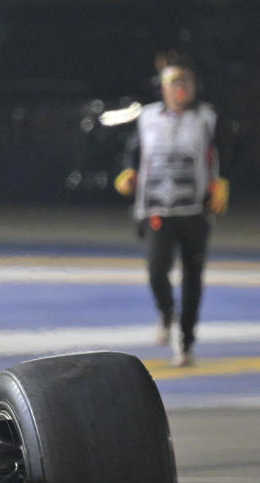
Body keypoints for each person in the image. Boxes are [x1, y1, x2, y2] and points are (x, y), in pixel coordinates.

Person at [114, 55, 229, 366]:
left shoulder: (208, 117)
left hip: (194, 210)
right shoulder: (148, 117)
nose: (179, 88)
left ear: (194, 86)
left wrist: (222, 183)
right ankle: (167, 312)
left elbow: (224, 152)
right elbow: (135, 153)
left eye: (185, 82)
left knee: (193, 275)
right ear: (162, 87)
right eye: (173, 82)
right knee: (156, 269)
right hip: (156, 209)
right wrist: (129, 173)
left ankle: (186, 338)